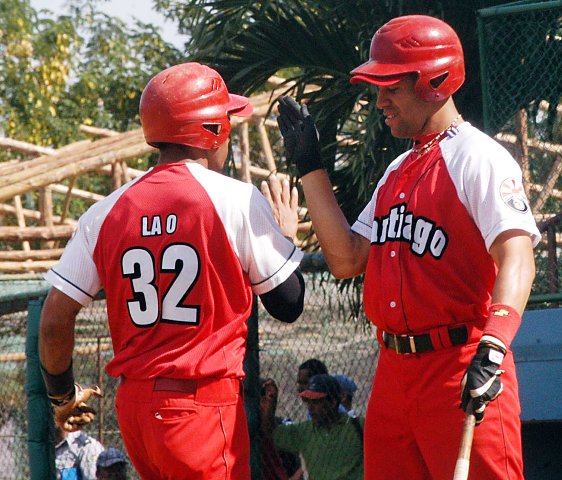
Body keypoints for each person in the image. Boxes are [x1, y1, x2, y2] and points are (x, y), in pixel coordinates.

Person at [276, 14, 539, 479]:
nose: (379, 101)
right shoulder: (398, 168)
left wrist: (494, 347)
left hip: (461, 363)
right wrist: (310, 166)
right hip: (394, 373)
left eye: (390, 87)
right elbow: (347, 259)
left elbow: (516, 253)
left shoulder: (478, 157)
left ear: (434, 82)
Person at [39, 62, 306, 480]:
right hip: (201, 405)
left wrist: (62, 397)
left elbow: (54, 320)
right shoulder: (234, 198)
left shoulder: (105, 211)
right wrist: (286, 238)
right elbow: (289, 304)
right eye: (225, 123)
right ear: (211, 131)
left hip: (135, 409)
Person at [261, 374, 364, 480]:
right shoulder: (305, 431)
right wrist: (271, 402)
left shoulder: (357, 427)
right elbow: (270, 432)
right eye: (308, 402)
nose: (310, 407)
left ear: (333, 402)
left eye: (316, 402)